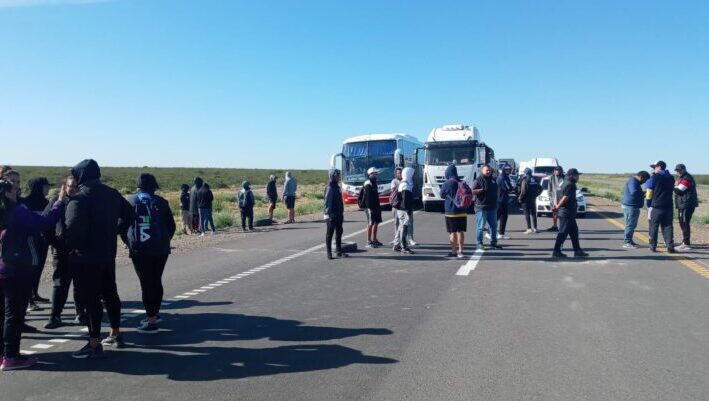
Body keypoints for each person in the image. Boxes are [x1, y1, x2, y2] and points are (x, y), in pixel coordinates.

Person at [65, 159, 133, 358]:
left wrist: (71, 247)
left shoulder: (79, 198)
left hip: (85, 257)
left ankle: (94, 342)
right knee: (110, 293)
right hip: (107, 253)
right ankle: (115, 333)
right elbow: (129, 215)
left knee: (91, 299)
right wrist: (114, 229)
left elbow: (73, 231)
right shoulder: (112, 193)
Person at [0, 176, 66, 370]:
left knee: (2, 314)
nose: (18, 192)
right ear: (6, 193)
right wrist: (59, 203)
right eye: (14, 189)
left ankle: (4, 354)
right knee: (14, 315)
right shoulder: (17, 212)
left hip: (2, 268)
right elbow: (44, 222)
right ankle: (12, 356)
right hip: (16, 270)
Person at [125, 174, 176, 334]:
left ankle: (151, 320)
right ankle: (155, 313)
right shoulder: (161, 202)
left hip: (139, 250)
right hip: (160, 249)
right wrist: (163, 241)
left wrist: (130, 243)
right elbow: (171, 226)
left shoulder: (130, 201)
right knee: (156, 280)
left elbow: (121, 227)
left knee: (146, 284)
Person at [44, 175, 86, 329]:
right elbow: (46, 224)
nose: (73, 189)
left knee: (80, 284)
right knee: (60, 284)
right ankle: (54, 316)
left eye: (76, 186)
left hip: (81, 251)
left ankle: (81, 314)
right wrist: (55, 242)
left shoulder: (84, 202)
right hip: (61, 250)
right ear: (65, 187)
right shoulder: (57, 202)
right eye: (70, 186)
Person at [21, 177, 52, 311]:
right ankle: (28, 300)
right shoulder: (26, 202)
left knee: (39, 268)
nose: (48, 188)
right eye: (46, 186)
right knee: (29, 270)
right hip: (29, 242)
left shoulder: (47, 202)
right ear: (38, 187)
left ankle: (34, 293)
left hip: (43, 240)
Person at [552, 168, 589, 258]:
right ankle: (556, 251)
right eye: (577, 175)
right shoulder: (571, 185)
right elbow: (565, 197)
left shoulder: (562, 182)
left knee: (574, 232)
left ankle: (577, 250)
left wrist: (556, 204)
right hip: (566, 213)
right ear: (572, 176)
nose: (578, 177)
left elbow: (557, 195)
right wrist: (558, 206)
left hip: (567, 213)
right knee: (563, 232)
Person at [645, 160, 676, 253]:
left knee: (654, 226)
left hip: (656, 206)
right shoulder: (671, 178)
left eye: (654, 167)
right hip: (668, 206)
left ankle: (652, 246)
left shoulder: (654, 178)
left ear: (658, 167)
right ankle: (670, 246)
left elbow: (649, 191)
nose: (653, 169)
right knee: (668, 226)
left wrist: (648, 203)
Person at [440, 165, 468, 258]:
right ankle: (461, 250)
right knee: (460, 231)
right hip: (462, 210)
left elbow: (441, 195)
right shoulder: (462, 182)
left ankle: (454, 252)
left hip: (451, 211)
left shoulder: (447, 183)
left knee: (452, 232)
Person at [473, 165, 501, 251]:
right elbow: (473, 191)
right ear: (482, 171)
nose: (488, 171)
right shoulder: (478, 180)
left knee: (493, 226)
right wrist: (481, 190)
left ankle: (494, 243)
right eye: (486, 170)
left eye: (489, 170)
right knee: (480, 227)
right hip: (481, 207)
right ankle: (479, 243)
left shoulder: (493, 179)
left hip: (492, 207)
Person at [621, 171, 650, 249]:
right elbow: (634, 192)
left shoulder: (634, 181)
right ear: (641, 177)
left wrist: (644, 192)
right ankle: (627, 242)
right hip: (631, 206)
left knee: (632, 224)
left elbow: (636, 192)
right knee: (630, 225)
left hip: (631, 206)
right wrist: (644, 193)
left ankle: (629, 240)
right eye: (645, 180)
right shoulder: (633, 181)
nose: (644, 182)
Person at [324, 169, 348, 260]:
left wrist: (341, 212)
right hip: (332, 215)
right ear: (333, 175)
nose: (339, 176)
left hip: (338, 214)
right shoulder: (330, 187)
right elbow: (327, 202)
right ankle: (329, 253)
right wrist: (329, 214)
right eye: (337, 175)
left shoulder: (336, 186)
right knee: (329, 234)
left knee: (339, 232)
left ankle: (339, 251)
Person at [674, 164, 698, 251]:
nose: (678, 172)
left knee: (684, 222)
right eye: (677, 170)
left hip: (686, 204)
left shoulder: (686, 178)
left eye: (680, 170)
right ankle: (685, 242)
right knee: (682, 222)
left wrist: (675, 185)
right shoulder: (683, 178)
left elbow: (679, 191)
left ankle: (686, 243)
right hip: (683, 204)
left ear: (684, 169)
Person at [394, 167, 415, 254]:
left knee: (400, 227)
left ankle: (396, 245)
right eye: (412, 174)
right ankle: (404, 247)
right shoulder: (406, 185)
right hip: (404, 210)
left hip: (401, 209)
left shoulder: (404, 183)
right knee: (404, 228)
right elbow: (405, 200)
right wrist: (408, 211)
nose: (413, 176)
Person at [363, 167, 383, 248]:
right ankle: (368, 241)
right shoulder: (368, 183)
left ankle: (374, 239)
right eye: (375, 173)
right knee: (370, 223)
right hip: (370, 207)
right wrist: (370, 208)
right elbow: (367, 198)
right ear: (371, 174)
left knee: (376, 222)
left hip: (376, 206)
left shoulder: (374, 182)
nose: (377, 174)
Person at [517, 168, 540, 234]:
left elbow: (523, 191)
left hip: (526, 199)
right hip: (533, 199)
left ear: (525, 173)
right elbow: (540, 188)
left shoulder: (525, 180)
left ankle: (529, 228)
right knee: (533, 214)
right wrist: (536, 194)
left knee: (527, 214)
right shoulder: (535, 179)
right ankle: (535, 228)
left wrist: (520, 198)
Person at [494, 164, 513, 240]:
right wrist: (511, 188)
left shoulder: (506, 177)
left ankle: (501, 234)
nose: (508, 171)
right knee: (496, 217)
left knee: (504, 217)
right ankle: (489, 232)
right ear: (503, 170)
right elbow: (509, 188)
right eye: (507, 169)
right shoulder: (502, 178)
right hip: (500, 200)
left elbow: (510, 187)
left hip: (504, 200)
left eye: (509, 169)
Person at [547, 166, 565, 232]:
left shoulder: (564, 178)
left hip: (562, 198)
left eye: (558, 170)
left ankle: (563, 226)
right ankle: (555, 226)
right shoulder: (551, 177)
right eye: (555, 170)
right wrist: (551, 197)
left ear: (561, 171)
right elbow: (549, 188)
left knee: (562, 213)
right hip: (554, 198)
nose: (556, 171)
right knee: (554, 212)